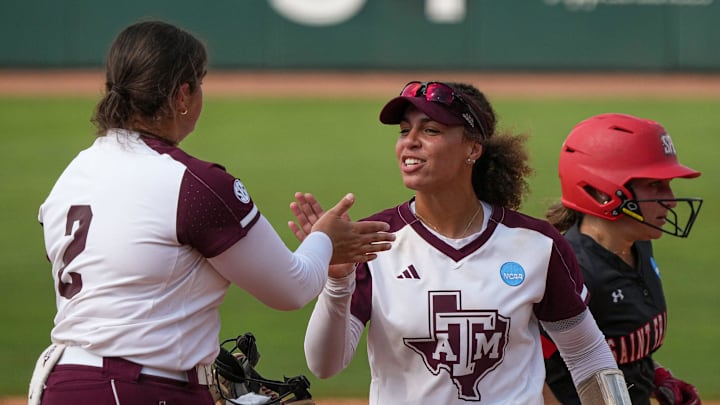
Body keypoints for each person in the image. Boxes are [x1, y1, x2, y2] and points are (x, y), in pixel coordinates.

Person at [29, 20, 393, 405]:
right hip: (137, 387)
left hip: (63, 381)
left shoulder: (71, 176)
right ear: (183, 94)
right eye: (199, 83)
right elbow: (291, 288)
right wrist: (326, 240)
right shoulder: (193, 186)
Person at [288, 81, 632, 404]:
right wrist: (337, 279)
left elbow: (587, 354)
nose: (410, 141)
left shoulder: (536, 244)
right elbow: (325, 365)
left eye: (431, 130)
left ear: (472, 149)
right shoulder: (372, 241)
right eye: (405, 131)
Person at [541, 113, 703, 405]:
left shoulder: (638, 246)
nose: (671, 200)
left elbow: (616, 344)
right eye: (655, 185)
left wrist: (656, 376)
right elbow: (526, 369)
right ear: (603, 193)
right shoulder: (569, 272)